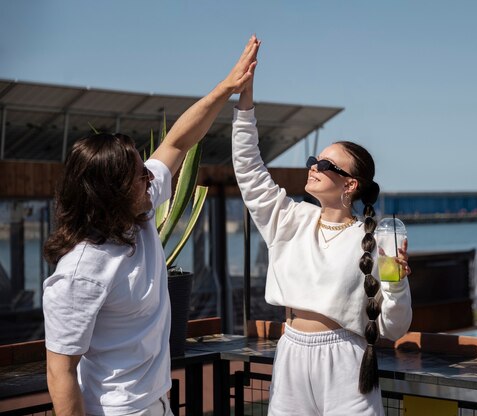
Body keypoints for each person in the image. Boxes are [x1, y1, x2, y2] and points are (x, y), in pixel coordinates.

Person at [41, 36, 260, 416]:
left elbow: (177, 142)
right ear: (110, 193)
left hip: (157, 403)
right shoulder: (80, 271)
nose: (150, 177)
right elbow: (60, 371)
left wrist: (227, 87)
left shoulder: (137, 213)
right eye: (138, 176)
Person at [232, 60, 412, 415]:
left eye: (326, 165)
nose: (314, 165)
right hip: (292, 353)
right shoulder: (288, 219)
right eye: (315, 159)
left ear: (350, 184)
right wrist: (245, 103)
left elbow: (394, 328)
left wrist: (399, 285)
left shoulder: (376, 239)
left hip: (348, 360)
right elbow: (248, 167)